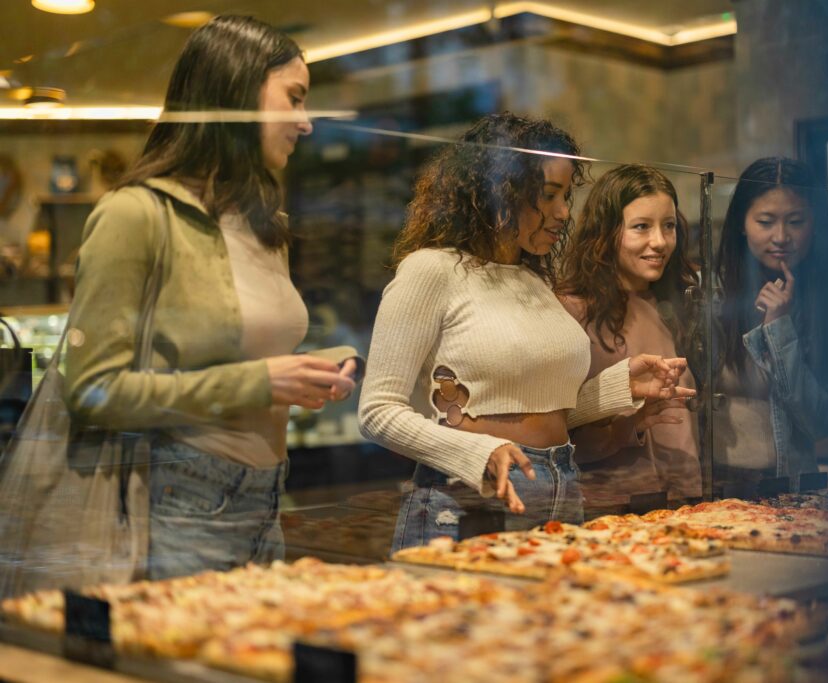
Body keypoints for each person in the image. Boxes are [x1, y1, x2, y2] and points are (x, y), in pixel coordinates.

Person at [64, 15, 358, 580]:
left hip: (268, 496)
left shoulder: (265, 223)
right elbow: (92, 392)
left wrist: (312, 371)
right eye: (294, 98)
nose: (306, 123)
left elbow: (246, 360)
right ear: (237, 93)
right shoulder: (135, 215)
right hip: (181, 500)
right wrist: (261, 381)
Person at [358, 113, 693, 551]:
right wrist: (477, 453)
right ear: (499, 190)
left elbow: (548, 414)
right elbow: (378, 412)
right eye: (548, 195)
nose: (564, 212)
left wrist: (618, 386)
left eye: (566, 195)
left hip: (560, 486)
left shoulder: (534, 280)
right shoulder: (431, 270)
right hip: (472, 492)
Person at [558, 164, 702, 505]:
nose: (660, 241)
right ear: (605, 232)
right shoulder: (570, 310)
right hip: (610, 508)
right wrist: (628, 425)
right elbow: (557, 434)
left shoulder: (676, 305)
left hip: (685, 502)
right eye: (641, 227)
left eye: (669, 226)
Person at [714, 156, 828, 489]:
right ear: (742, 223)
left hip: (796, 489)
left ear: (815, 225)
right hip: (720, 492)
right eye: (766, 221)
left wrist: (779, 327)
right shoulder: (711, 295)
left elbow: (822, 422)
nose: (781, 236)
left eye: (796, 221)